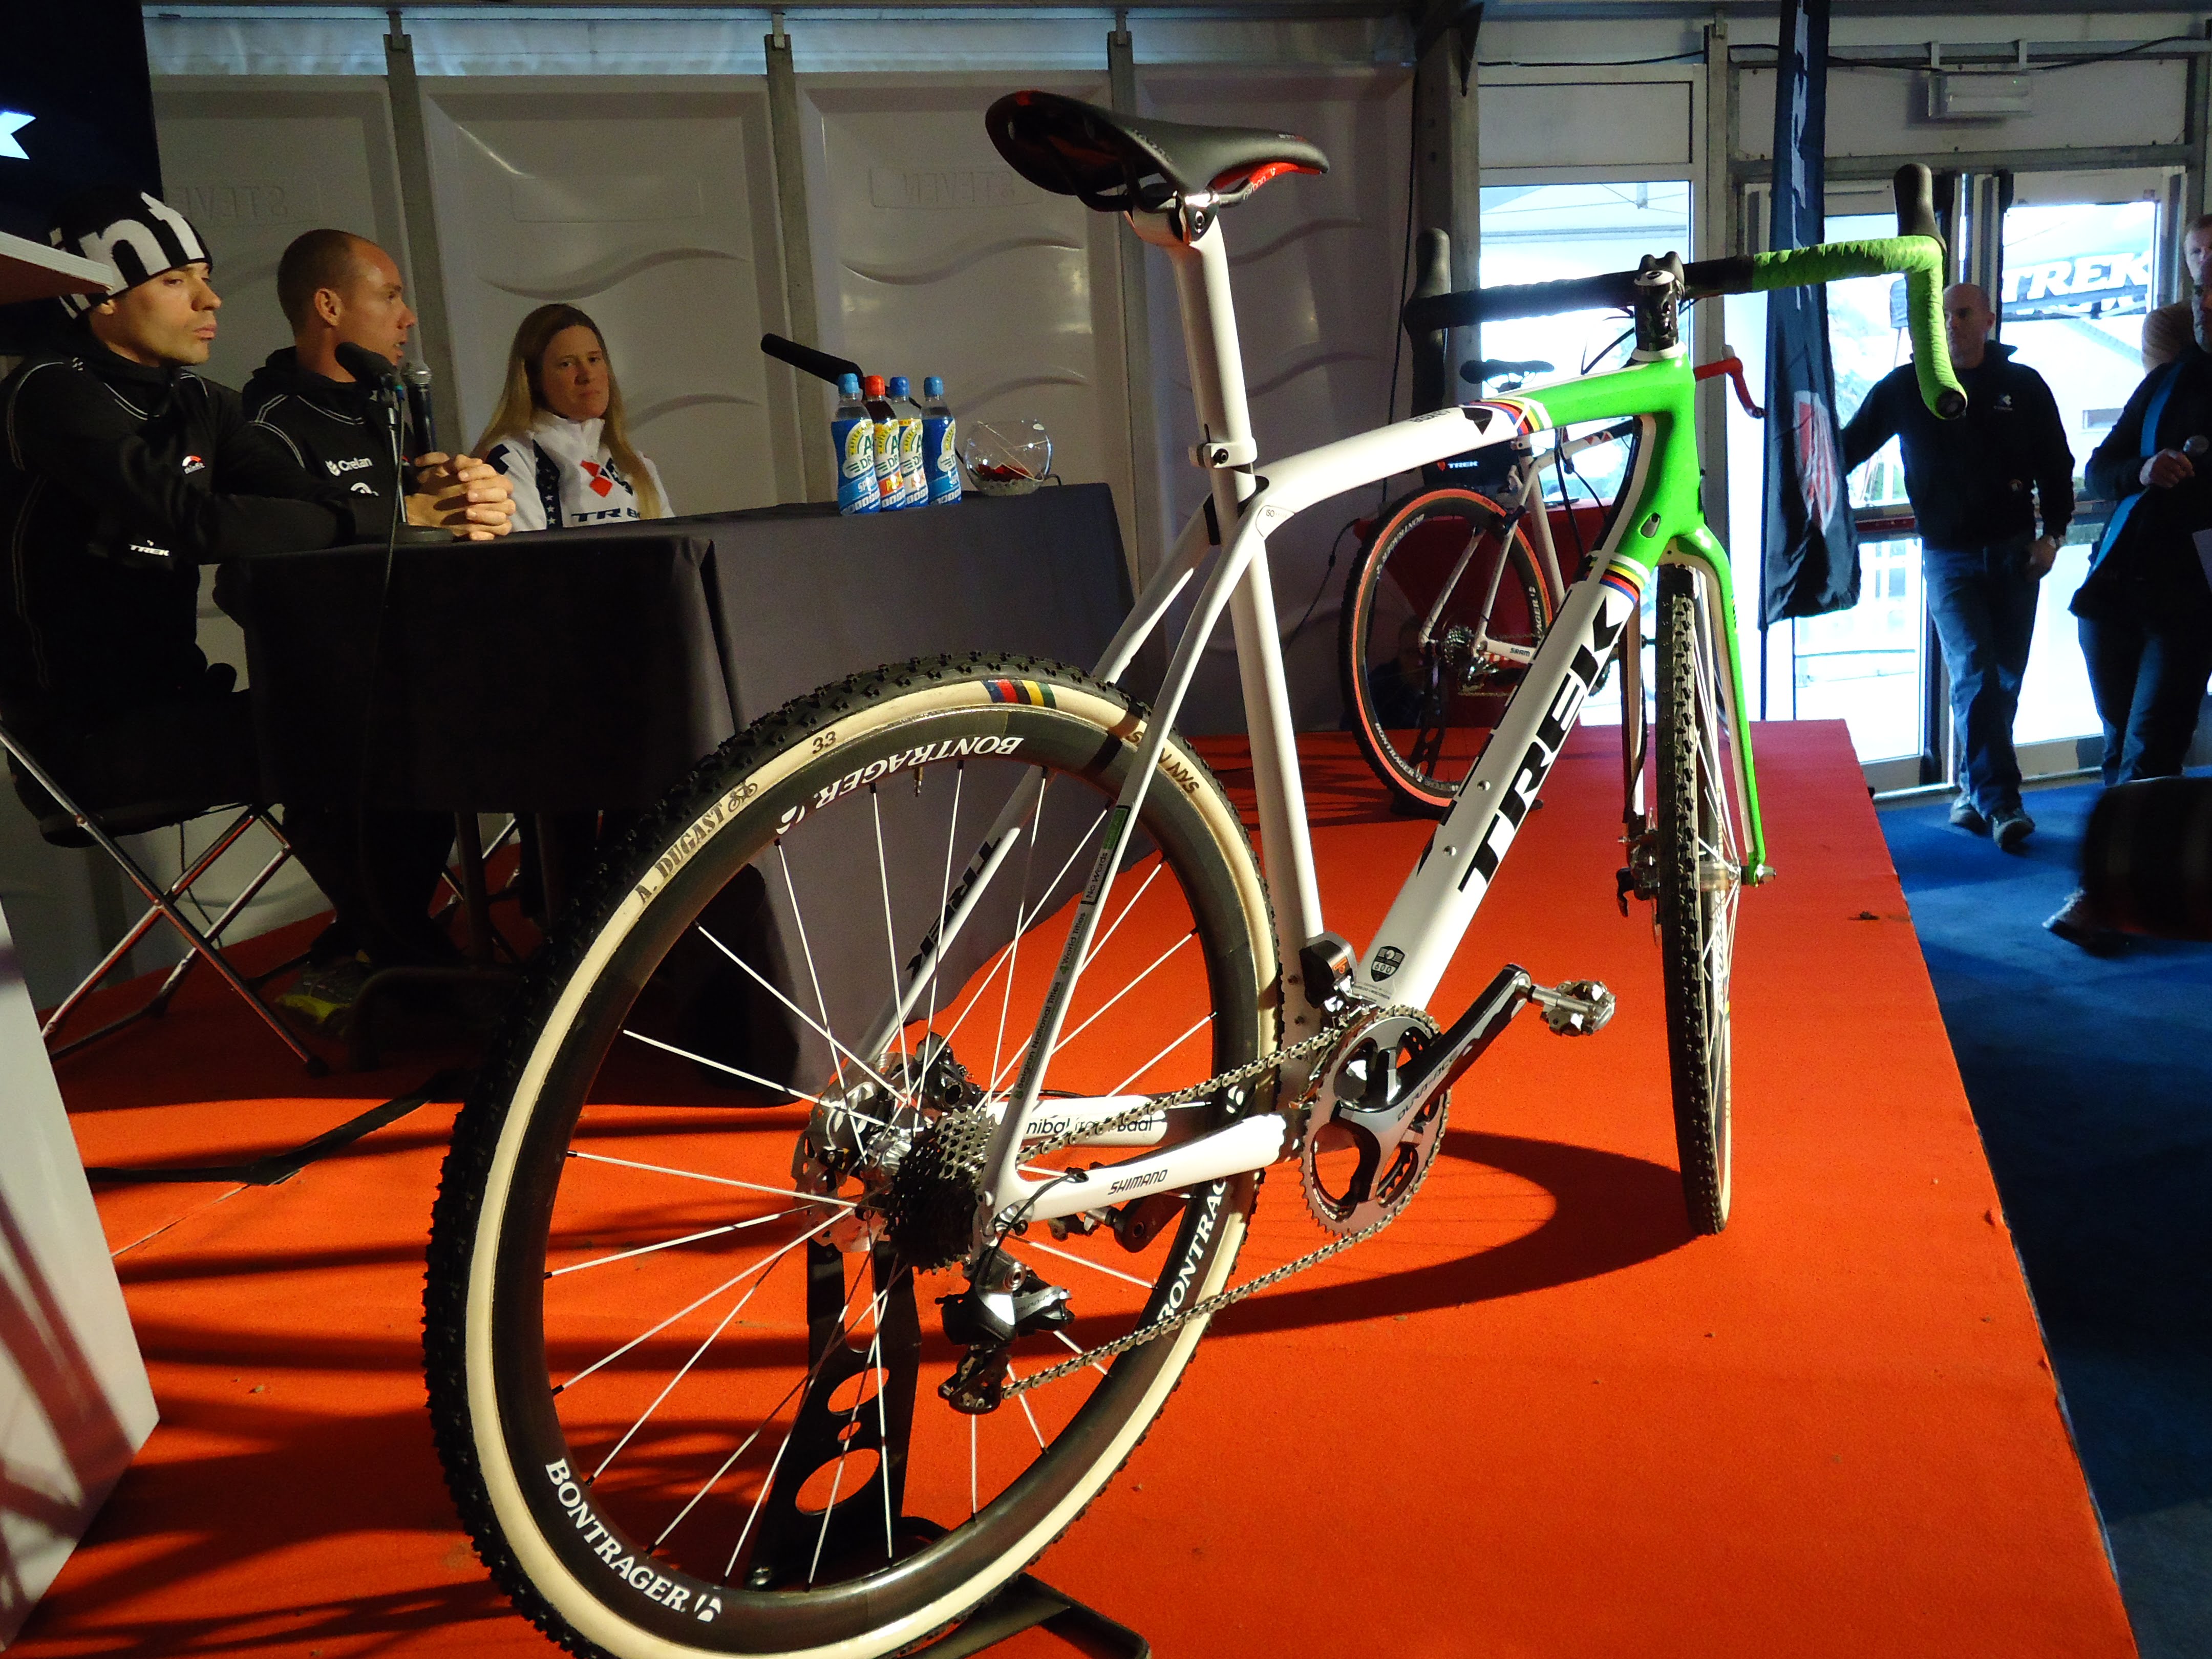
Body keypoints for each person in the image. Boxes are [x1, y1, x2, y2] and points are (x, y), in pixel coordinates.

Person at [0, 187, 513, 1005]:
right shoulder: (49, 393)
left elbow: (312, 502)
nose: (211, 300)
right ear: (101, 298)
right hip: (83, 742)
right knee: (354, 729)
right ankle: (401, 965)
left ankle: (382, 953)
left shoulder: (199, 403)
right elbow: (198, 523)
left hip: (179, 707)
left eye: (206, 277)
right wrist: (395, 516)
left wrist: (448, 496)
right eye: (177, 281)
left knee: (401, 709)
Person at [1841, 283, 2074, 852]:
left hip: (2017, 553)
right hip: (1949, 558)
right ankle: (2003, 803)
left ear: (1989, 320)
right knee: (1976, 673)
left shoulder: (2024, 386)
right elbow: (1844, 449)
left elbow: (2057, 466)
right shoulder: (1906, 388)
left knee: (2004, 680)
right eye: (1943, 315)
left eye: (1963, 313)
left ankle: (1972, 788)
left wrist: (2053, 538)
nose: (1951, 324)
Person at [2047, 272, 2212, 949]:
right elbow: (2100, 468)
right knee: (2121, 745)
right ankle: (2129, 889)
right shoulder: (2167, 381)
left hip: (2191, 604)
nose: (2205, 305)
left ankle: (2107, 898)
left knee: (2150, 749)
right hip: (2115, 592)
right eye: (2200, 291)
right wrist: (2144, 469)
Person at [241, 227, 423, 531]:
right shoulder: (267, 425)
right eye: (390, 297)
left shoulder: (382, 413)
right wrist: (410, 516)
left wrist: (456, 500)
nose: (409, 318)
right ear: (330, 308)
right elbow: (292, 536)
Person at [475, 304, 670, 530]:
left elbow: (674, 547)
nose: (587, 375)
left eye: (594, 360)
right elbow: (527, 551)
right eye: (567, 364)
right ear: (534, 379)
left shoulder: (637, 465)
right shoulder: (512, 458)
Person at [2140, 214, 2212, 370]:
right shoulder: (2167, 322)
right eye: (2196, 252)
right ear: (2187, 263)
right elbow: (2166, 383)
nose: (2205, 258)